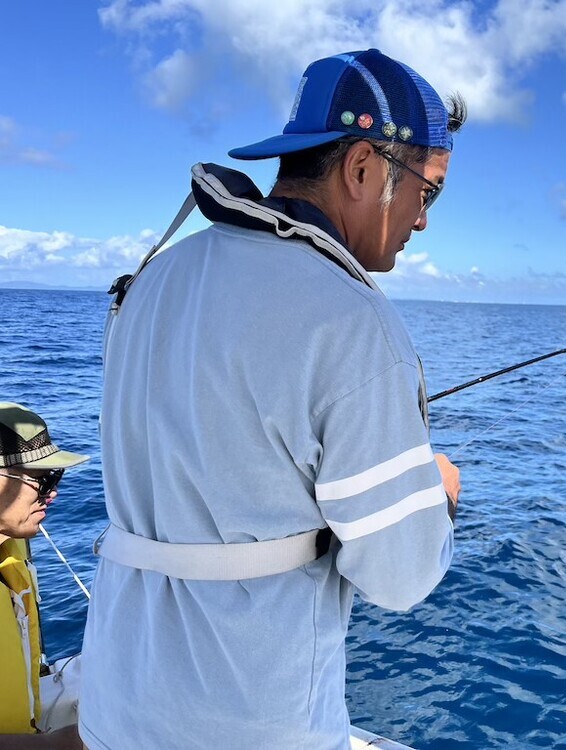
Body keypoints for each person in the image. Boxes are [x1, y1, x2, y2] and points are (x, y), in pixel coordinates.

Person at [80, 49, 465, 749]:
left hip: (114, 708)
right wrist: (436, 497)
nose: (423, 220)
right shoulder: (351, 322)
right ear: (362, 167)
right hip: (248, 728)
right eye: (429, 191)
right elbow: (400, 575)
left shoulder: (151, 281)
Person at [0, 402, 88, 745]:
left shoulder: (12, 552)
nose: (53, 494)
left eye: (56, 476)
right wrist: (55, 744)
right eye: (42, 480)